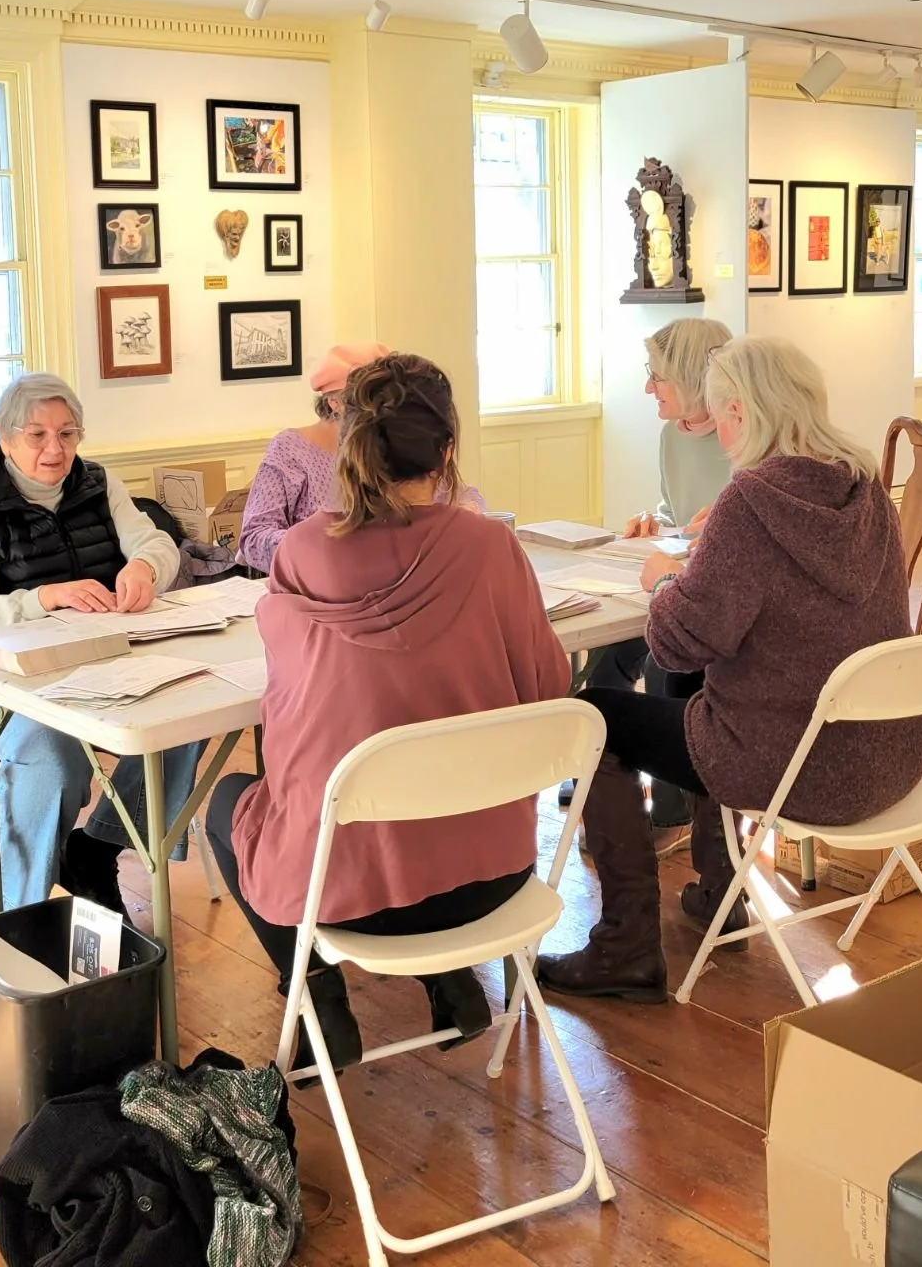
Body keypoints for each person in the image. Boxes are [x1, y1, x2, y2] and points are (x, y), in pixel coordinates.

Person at [538, 335, 922, 1003]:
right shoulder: (867, 490)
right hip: (888, 758)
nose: (716, 430)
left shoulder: (749, 502)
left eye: (722, 413)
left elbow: (677, 644)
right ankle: (720, 891)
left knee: (596, 716)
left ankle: (626, 944)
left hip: (795, 768)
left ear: (746, 412)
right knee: (703, 691)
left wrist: (666, 582)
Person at [206, 353, 570, 1073]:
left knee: (229, 803)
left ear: (348, 445)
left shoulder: (306, 551)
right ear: (447, 449)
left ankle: (318, 997)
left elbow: (289, 722)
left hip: (349, 897)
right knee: (413, 787)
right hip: (495, 879)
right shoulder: (492, 545)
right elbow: (549, 688)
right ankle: (453, 982)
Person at [0, 373, 204, 913]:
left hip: (105, 664)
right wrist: (46, 597)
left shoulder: (100, 483)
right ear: (4, 436)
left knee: (185, 723)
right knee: (54, 756)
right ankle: (13, 909)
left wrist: (147, 568)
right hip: (9, 683)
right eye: (36, 435)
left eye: (68, 433)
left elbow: (155, 541)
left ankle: (96, 849)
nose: (55, 449)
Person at [567, 318, 733, 827]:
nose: (647, 387)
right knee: (609, 657)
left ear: (688, 375)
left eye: (656, 375)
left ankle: (672, 807)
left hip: (713, 594)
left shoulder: (743, 436)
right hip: (675, 577)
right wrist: (654, 519)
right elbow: (676, 509)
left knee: (666, 657)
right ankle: (600, 779)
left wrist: (713, 526)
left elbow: (736, 524)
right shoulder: (671, 435)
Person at [237, 340, 485, 574]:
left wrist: (467, 513)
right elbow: (254, 537)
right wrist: (323, 547)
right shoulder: (291, 450)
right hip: (320, 588)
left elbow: (460, 494)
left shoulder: (396, 443)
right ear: (334, 403)